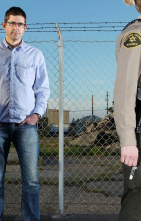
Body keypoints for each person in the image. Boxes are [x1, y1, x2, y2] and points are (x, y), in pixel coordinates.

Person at [0, 6, 50, 221]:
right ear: (4, 25)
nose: (16, 27)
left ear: (25, 27)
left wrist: (36, 115)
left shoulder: (35, 55)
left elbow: (43, 89)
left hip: (26, 126)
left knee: (31, 181)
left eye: (20, 24)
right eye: (12, 23)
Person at [114, 0, 141, 220]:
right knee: (137, 197)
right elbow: (125, 87)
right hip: (139, 132)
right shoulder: (136, 34)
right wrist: (128, 139)